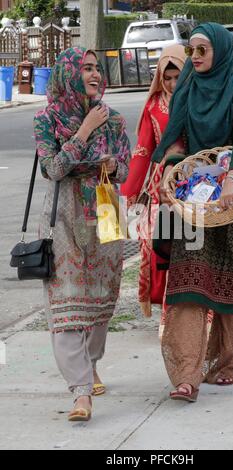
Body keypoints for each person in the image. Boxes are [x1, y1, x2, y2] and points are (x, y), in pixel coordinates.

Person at [151, 23, 233, 402]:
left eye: (202, 50)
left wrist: (230, 179)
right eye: (191, 50)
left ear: (222, 51)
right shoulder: (188, 90)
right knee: (186, 283)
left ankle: (230, 362)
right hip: (190, 206)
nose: (194, 58)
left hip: (229, 203)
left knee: (229, 279)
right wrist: (172, 170)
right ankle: (186, 375)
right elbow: (175, 139)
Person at [34, 47, 131, 421]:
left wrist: (113, 165)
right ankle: (80, 392)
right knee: (67, 304)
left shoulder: (116, 119)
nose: (94, 74)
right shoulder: (46, 119)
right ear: (68, 74)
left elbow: (125, 170)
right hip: (64, 215)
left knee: (102, 299)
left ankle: (91, 363)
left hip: (105, 207)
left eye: (96, 68)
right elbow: (54, 168)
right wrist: (85, 130)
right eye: (85, 68)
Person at [121, 45, 186, 336]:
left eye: (177, 76)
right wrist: (129, 191)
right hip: (160, 187)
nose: (172, 83)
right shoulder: (153, 106)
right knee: (160, 248)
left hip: (193, 183)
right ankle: (167, 313)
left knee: (191, 248)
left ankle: (192, 314)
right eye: (167, 78)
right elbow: (143, 150)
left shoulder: (197, 100)